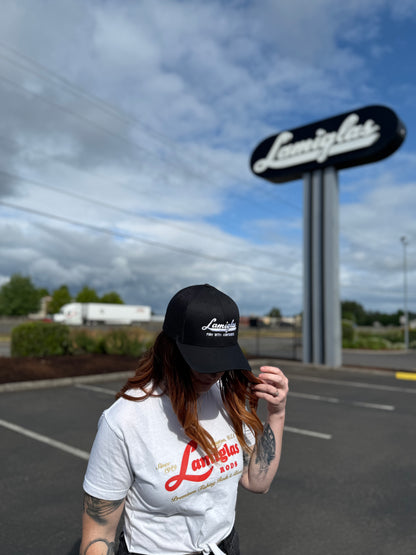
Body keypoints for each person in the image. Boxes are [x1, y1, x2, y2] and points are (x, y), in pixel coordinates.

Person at [80, 284, 289, 555]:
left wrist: (277, 413)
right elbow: (99, 533)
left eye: (222, 358)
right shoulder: (125, 420)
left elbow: (257, 482)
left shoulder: (225, 397)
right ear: (170, 349)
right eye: (203, 360)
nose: (215, 372)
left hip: (223, 546)